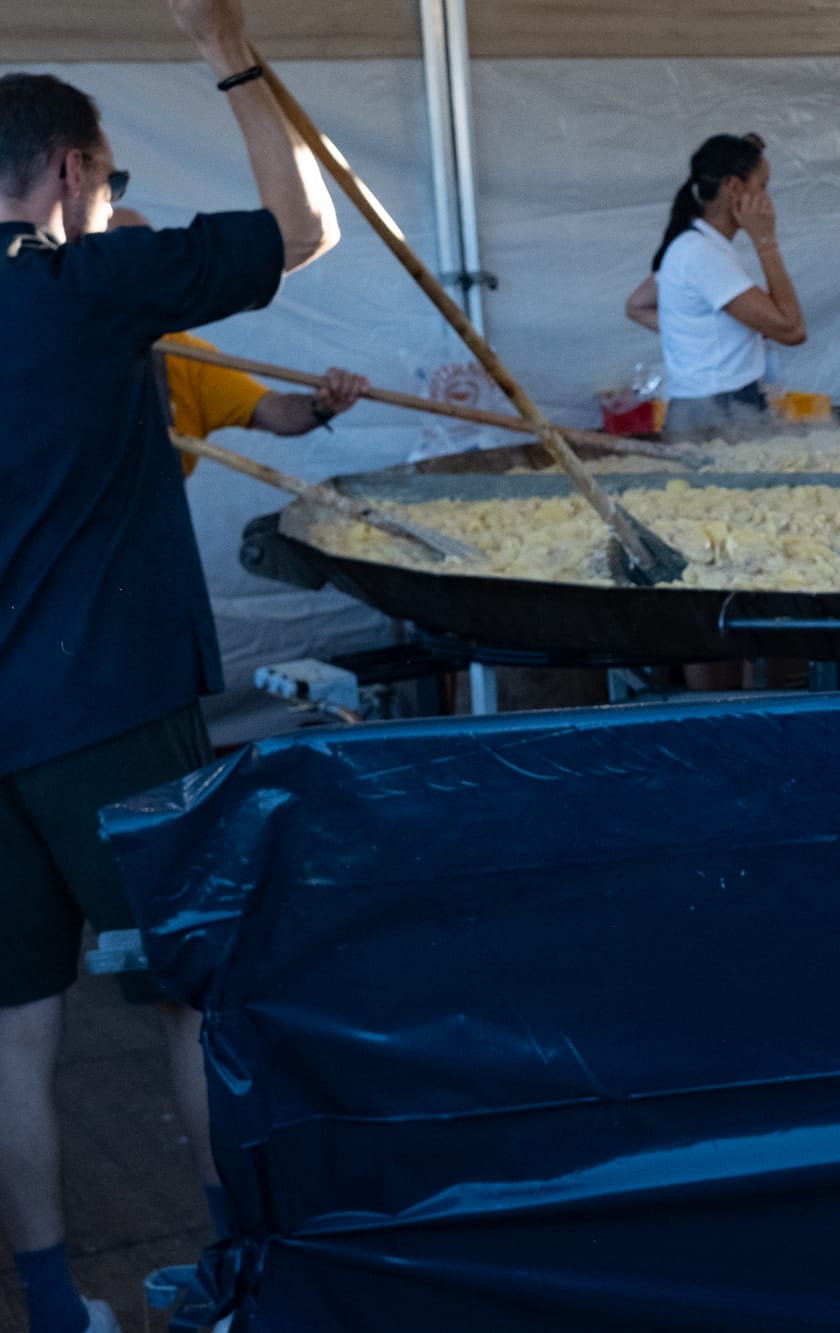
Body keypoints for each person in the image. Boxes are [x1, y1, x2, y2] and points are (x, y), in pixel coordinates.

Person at [0, 0, 340, 1327]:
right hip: (108, 712)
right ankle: (234, 1283)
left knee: (14, 1026)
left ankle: (53, 1305)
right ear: (75, 170)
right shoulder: (86, 286)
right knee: (189, 1000)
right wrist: (230, 57)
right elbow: (301, 232)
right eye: (106, 181)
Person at [111, 207, 368, 470]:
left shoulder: (184, 353)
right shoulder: (82, 340)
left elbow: (276, 413)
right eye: (126, 256)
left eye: (152, 255)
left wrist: (323, 404)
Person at [624, 132, 805, 440]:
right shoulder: (702, 254)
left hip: (703, 408)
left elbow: (637, 306)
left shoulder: (692, 245)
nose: (768, 199)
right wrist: (765, 240)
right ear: (734, 188)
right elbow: (792, 329)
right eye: (762, 186)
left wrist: (700, 333)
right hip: (719, 410)